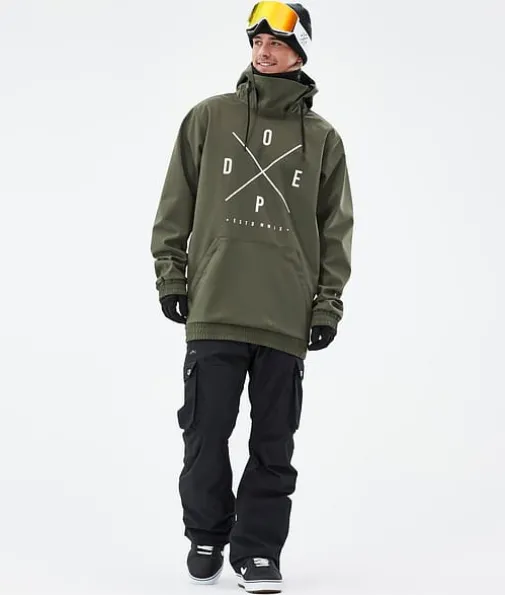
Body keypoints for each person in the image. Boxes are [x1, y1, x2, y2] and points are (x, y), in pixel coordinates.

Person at [150, 2, 353, 592]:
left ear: (300, 53)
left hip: (286, 316)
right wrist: (171, 275)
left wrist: (327, 303)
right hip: (215, 304)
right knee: (204, 434)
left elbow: (336, 228)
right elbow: (175, 202)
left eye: (277, 43)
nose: (264, 51)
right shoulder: (208, 118)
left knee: (273, 444)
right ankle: (206, 533)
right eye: (257, 40)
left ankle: (258, 551)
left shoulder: (323, 139)